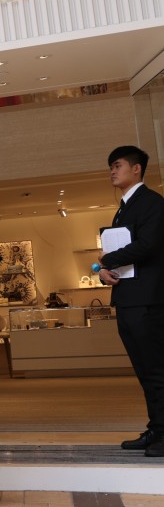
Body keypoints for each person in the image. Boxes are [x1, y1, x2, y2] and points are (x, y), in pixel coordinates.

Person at [98, 146, 164, 457]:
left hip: (147, 301)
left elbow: (148, 245)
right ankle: (157, 428)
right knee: (144, 369)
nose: (112, 171)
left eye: (118, 165)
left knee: (156, 369)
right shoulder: (124, 207)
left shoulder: (151, 203)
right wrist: (104, 272)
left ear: (136, 169)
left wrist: (106, 260)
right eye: (111, 166)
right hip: (128, 299)